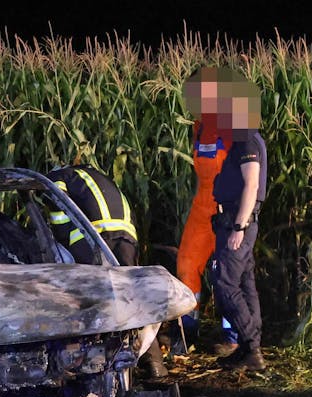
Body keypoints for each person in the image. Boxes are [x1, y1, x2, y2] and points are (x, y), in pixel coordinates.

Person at [43, 163, 166, 378]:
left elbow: (58, 214)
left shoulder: (57, 177)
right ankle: (154, 363)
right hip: (126, 237)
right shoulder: (94, 176)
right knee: (131, 296)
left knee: (96, 300)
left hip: (93, 237)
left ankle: (100, 362)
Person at [176, 66, 241, 356]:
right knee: (187, 263)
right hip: (202, 206)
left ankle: (232, 335)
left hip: (227, 207)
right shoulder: (198, 126)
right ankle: (186, 330)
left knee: (226, 272)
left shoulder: (234, 125)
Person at [209, 67, 269, 373]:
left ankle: (250, 347)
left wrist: (239, 226)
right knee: (245, 284)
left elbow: (251, 184)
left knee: (225, 282)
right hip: (237, 220)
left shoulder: (246, 140)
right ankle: (249, 349)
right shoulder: (245, 139)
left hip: (239, 221)